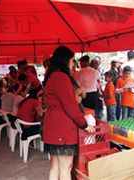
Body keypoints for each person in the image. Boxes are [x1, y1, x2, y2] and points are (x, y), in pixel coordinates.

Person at [43, 46, 95, 180]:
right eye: (72, 61)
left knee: (55, 166)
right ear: (65, 60)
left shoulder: (52, 75)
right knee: (66, 168)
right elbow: (70, 105)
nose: (73, 64)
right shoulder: (60, 76)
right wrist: (84, 124)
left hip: (53, 126)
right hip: (61, 128)